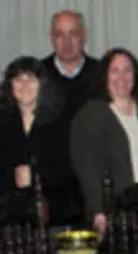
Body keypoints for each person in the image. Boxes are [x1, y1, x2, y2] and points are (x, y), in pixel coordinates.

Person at [70, 48, 138, 232]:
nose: (121, 77)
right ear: (104, 76)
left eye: (127, 70)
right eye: (115, 71)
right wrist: (98, 210)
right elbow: (87, 168)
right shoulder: (91, 114)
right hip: (115, 213)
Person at [0, 56, 82, 225]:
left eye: (31, 80)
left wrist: (35, 175)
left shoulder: (61, 120)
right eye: (18, 80)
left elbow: (69, 167)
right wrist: (12, 176)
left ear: (42, 85)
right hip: (10, 215)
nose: (24, 86)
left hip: (56, 212)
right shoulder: (3, 120)